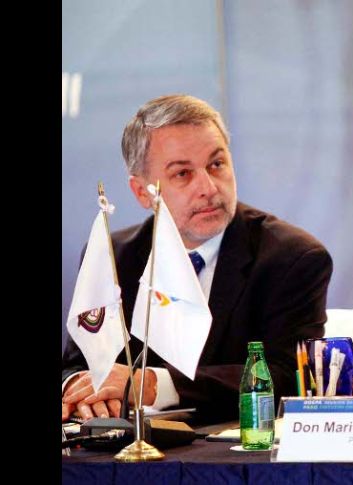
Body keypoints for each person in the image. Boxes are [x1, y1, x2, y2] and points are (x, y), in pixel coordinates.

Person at [62, 94, 333, 423]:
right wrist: (82, 388)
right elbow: (81, 360)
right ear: (140, 192)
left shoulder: (292, 258)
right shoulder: (116, 255)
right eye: (182, 174)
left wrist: (151, 385)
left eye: (216, 165)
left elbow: (290, 378)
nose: (208, 187)